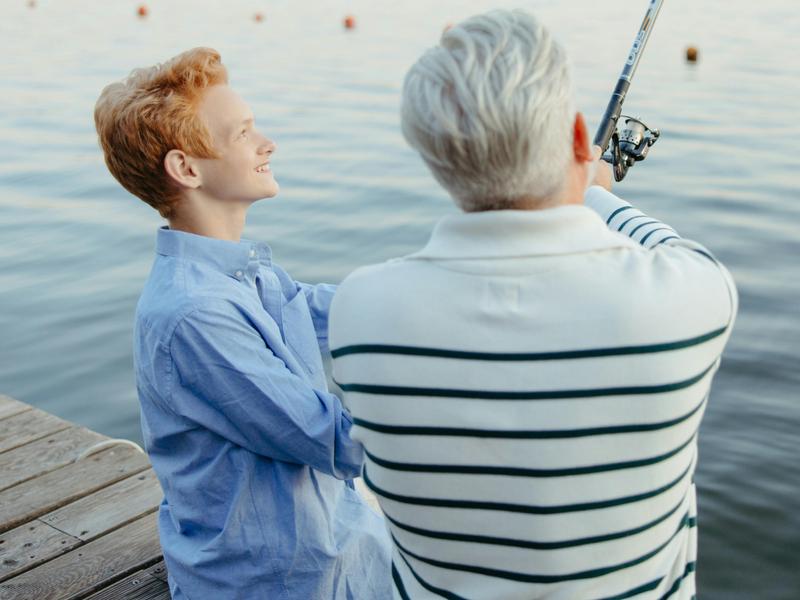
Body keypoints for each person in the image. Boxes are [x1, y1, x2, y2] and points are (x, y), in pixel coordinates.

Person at [329, 9, 737, 599]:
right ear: (579, 137)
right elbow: (681, 251)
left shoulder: (360, 311)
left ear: (435, 160)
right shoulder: (692, 297)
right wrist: (596, 197)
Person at [94, 48, 391, 599]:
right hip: (277, 582)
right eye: (243, 133)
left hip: (346, 550)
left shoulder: (241, 272)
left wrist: (441, 290)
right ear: (187, 169)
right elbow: (336, 440)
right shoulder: (194, 314)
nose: (267, 143)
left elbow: (328, 309)